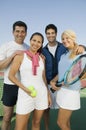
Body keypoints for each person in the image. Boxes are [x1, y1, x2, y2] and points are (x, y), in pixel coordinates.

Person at [42, 24, 86, 130]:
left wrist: (79, 83)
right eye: (63, 39)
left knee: (60, 123)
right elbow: (62, 72)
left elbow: (81, 73)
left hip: (70, 92)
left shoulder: (80, 53)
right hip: (61, 90)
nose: (65, 40)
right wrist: (53, 81)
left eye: (68, 38)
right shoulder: (64, 54)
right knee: (65, 123)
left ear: (73, 38)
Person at [8, 32, 51, 130]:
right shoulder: (20, 56)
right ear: (30, 40)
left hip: (41, 94)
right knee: (19, 127)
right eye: (34, 40)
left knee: (36, 123)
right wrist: (25, 89)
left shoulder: (41, 58)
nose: (36, 43)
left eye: (39, 42)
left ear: (41, 44)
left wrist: (48, 94)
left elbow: (43, 78)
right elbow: (11, 76)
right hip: (25, 94)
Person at [0, 21, 29, 130]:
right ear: (13, 32)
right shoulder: (6, 46)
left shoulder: (28, 48)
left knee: (23, 117)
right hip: (9, 86)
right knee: (7, 117)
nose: (20, 34)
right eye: (17, 31)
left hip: (24, 87)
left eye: (22, 32)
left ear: (26, 33)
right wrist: (12, 56)